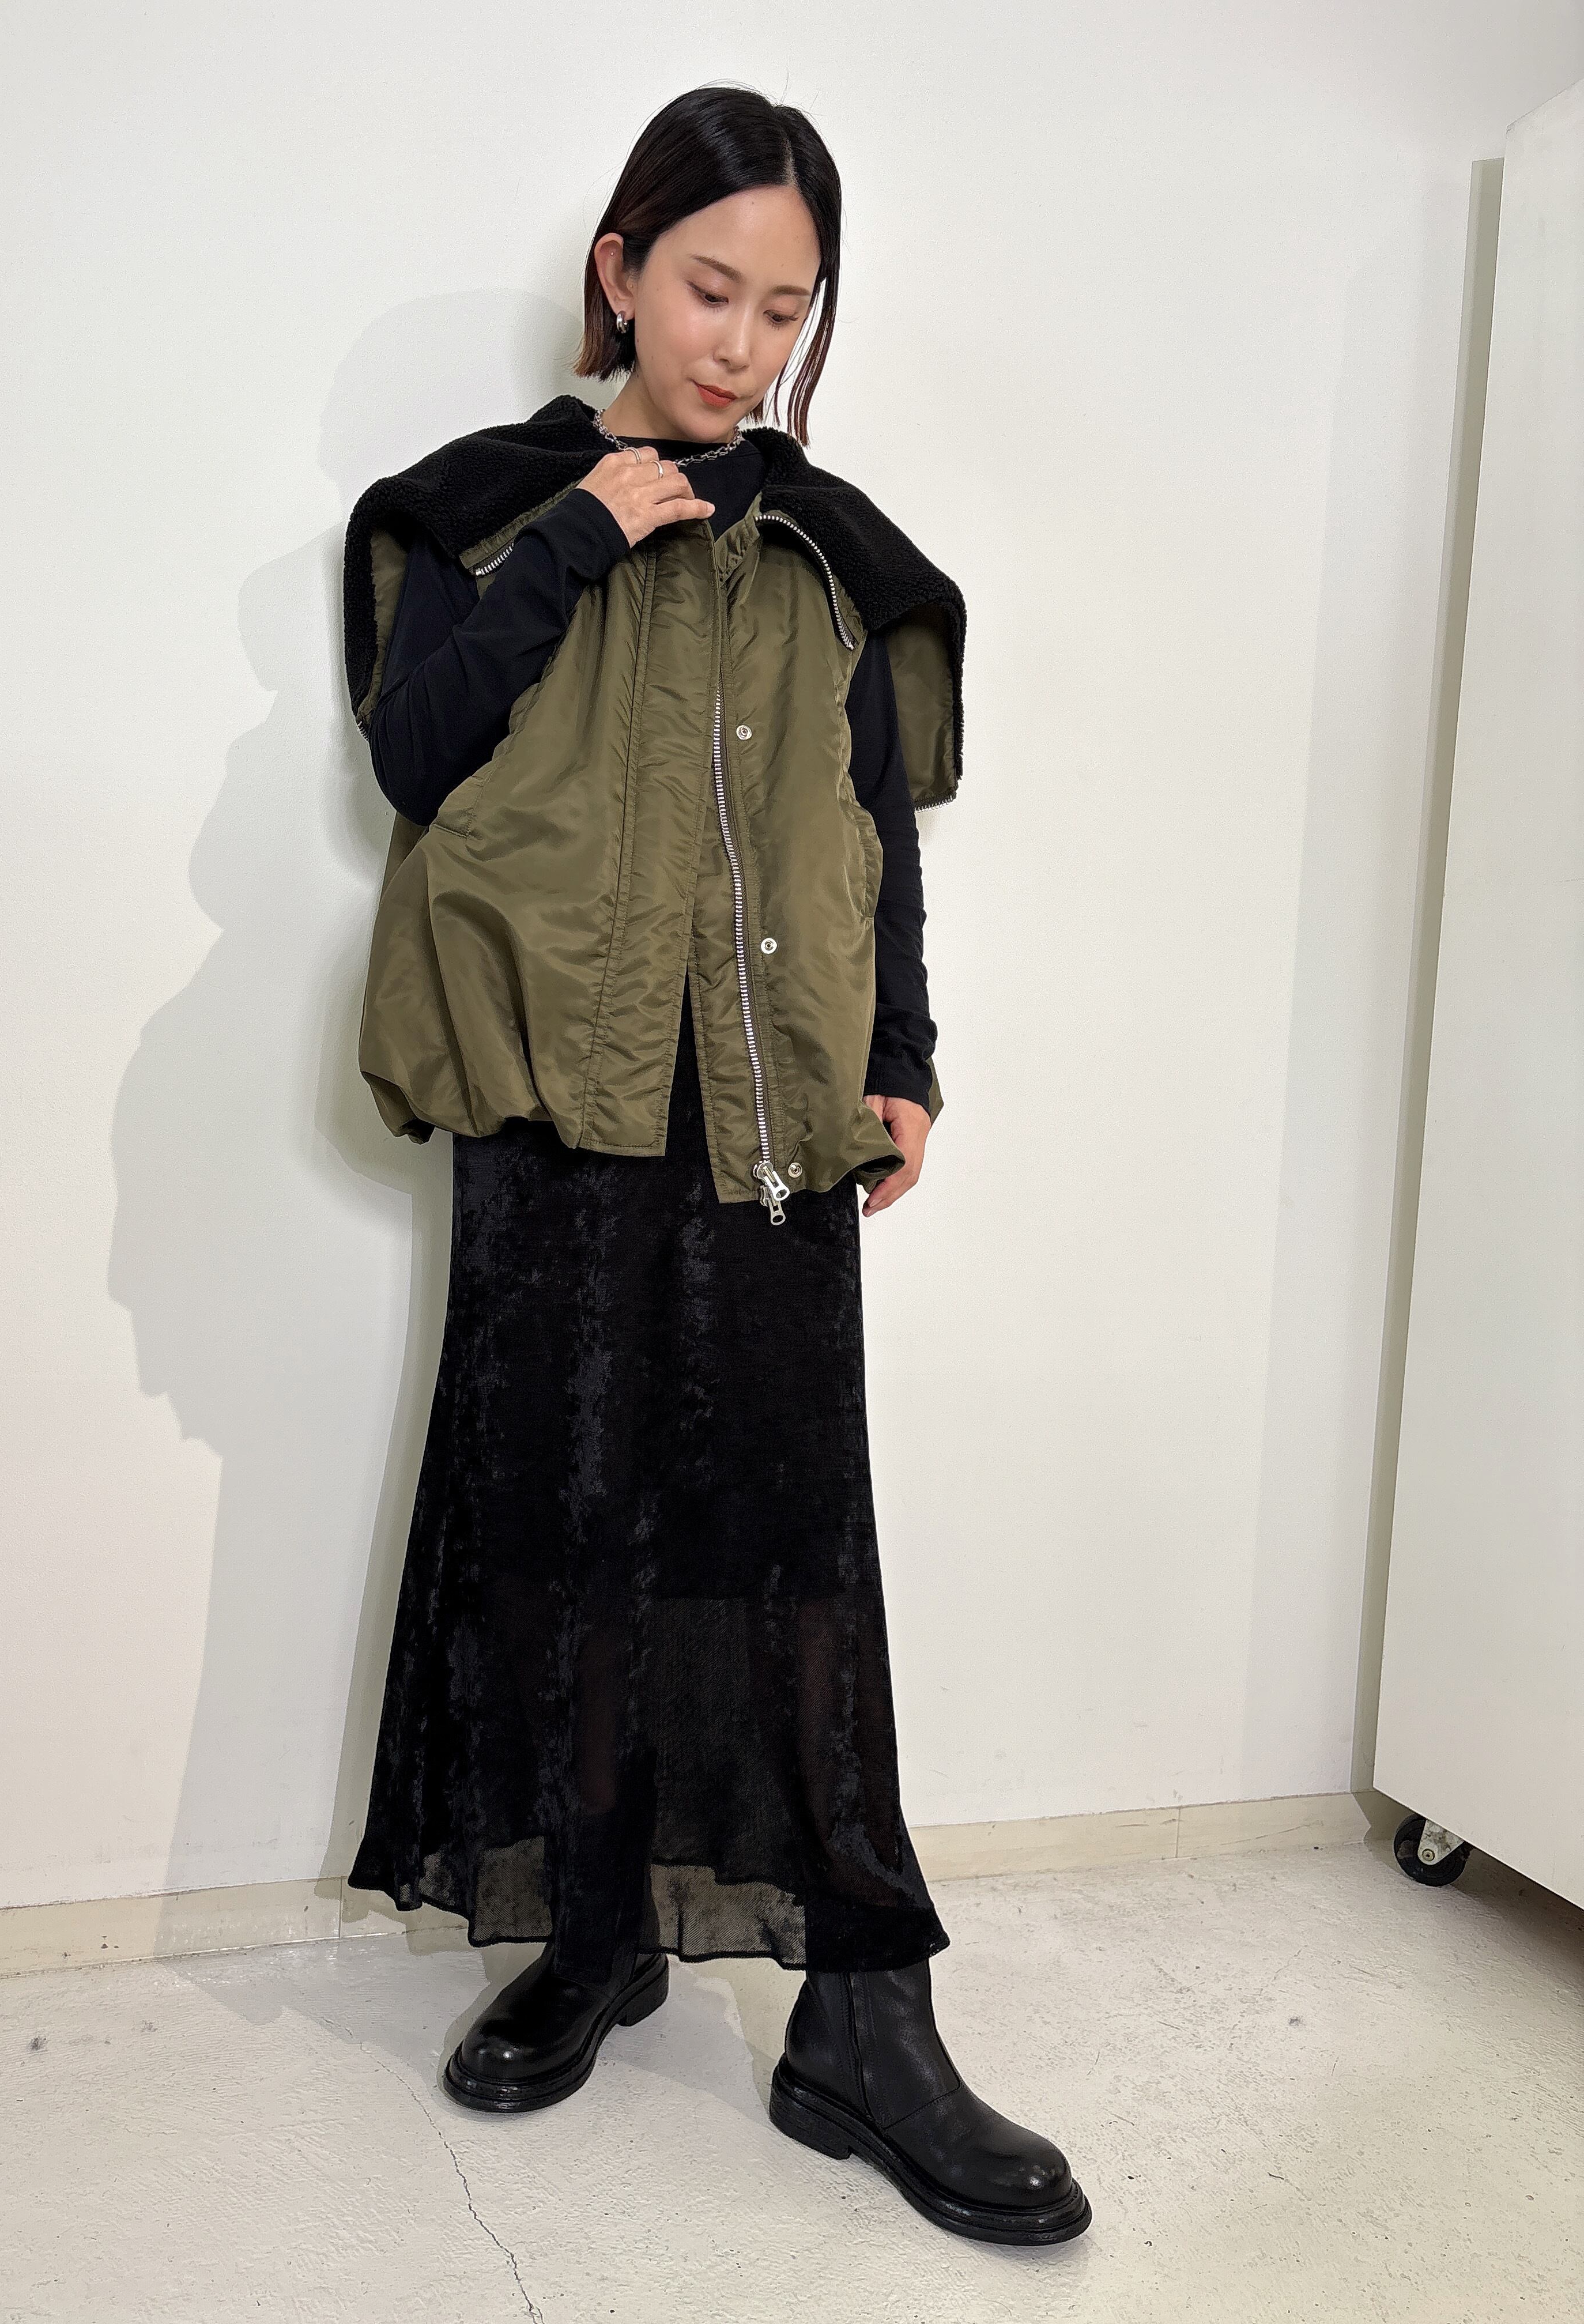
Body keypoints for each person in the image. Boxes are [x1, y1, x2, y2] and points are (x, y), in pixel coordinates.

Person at [340, 84, 1091, 2247]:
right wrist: (591, 530)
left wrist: (906, 1058)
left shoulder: (833, 551)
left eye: (784, 308)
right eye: (707, 290)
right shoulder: (492, 511)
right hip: (549, 1102)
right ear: (619, 269)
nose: (742, 344)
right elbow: (416, 754)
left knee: (791, 1549)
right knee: (565, 1529)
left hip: (765, 1111)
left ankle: (863, 2016)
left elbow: (881, 836)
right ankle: (598, 1933)